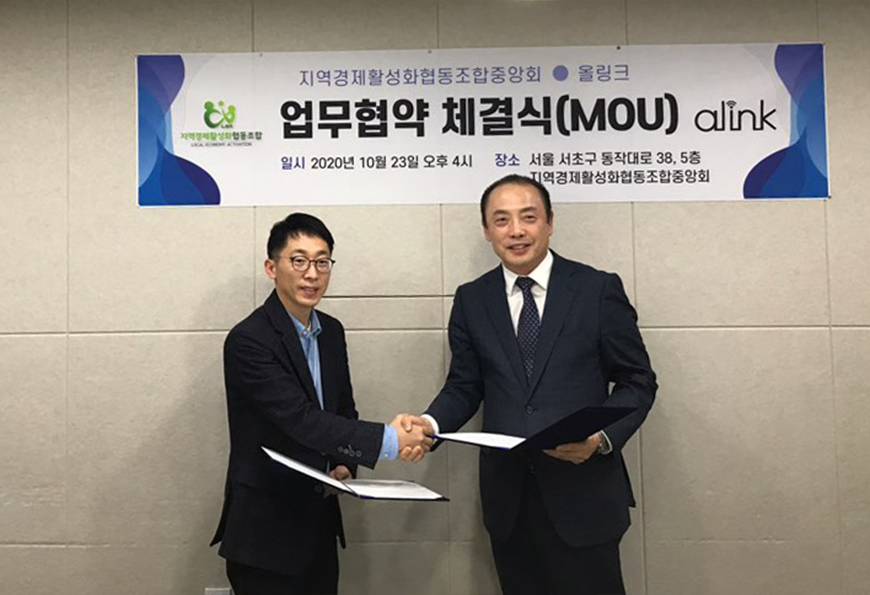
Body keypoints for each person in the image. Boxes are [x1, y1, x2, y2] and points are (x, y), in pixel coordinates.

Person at [404, 175, 657, 595]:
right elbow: (464, 385)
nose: (516, 230)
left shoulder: (596, 289)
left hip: (584, 495)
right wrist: (429, 425)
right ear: (487, 230)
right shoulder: (472, 299)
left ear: (550, 222)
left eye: (528, 217)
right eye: (501, 220)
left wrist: (600, 439)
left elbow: (637, 381)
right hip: (510, 502)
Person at [211, 213, 432, 595]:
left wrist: (344, 463)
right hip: (265, 533)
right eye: (298, 260)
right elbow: (300, 420)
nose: (312, 274)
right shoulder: (249, 340)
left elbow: (342, 410)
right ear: (271, 268)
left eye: (322, 261)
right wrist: (391, 440)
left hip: (318, 526)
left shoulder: (331, 331)